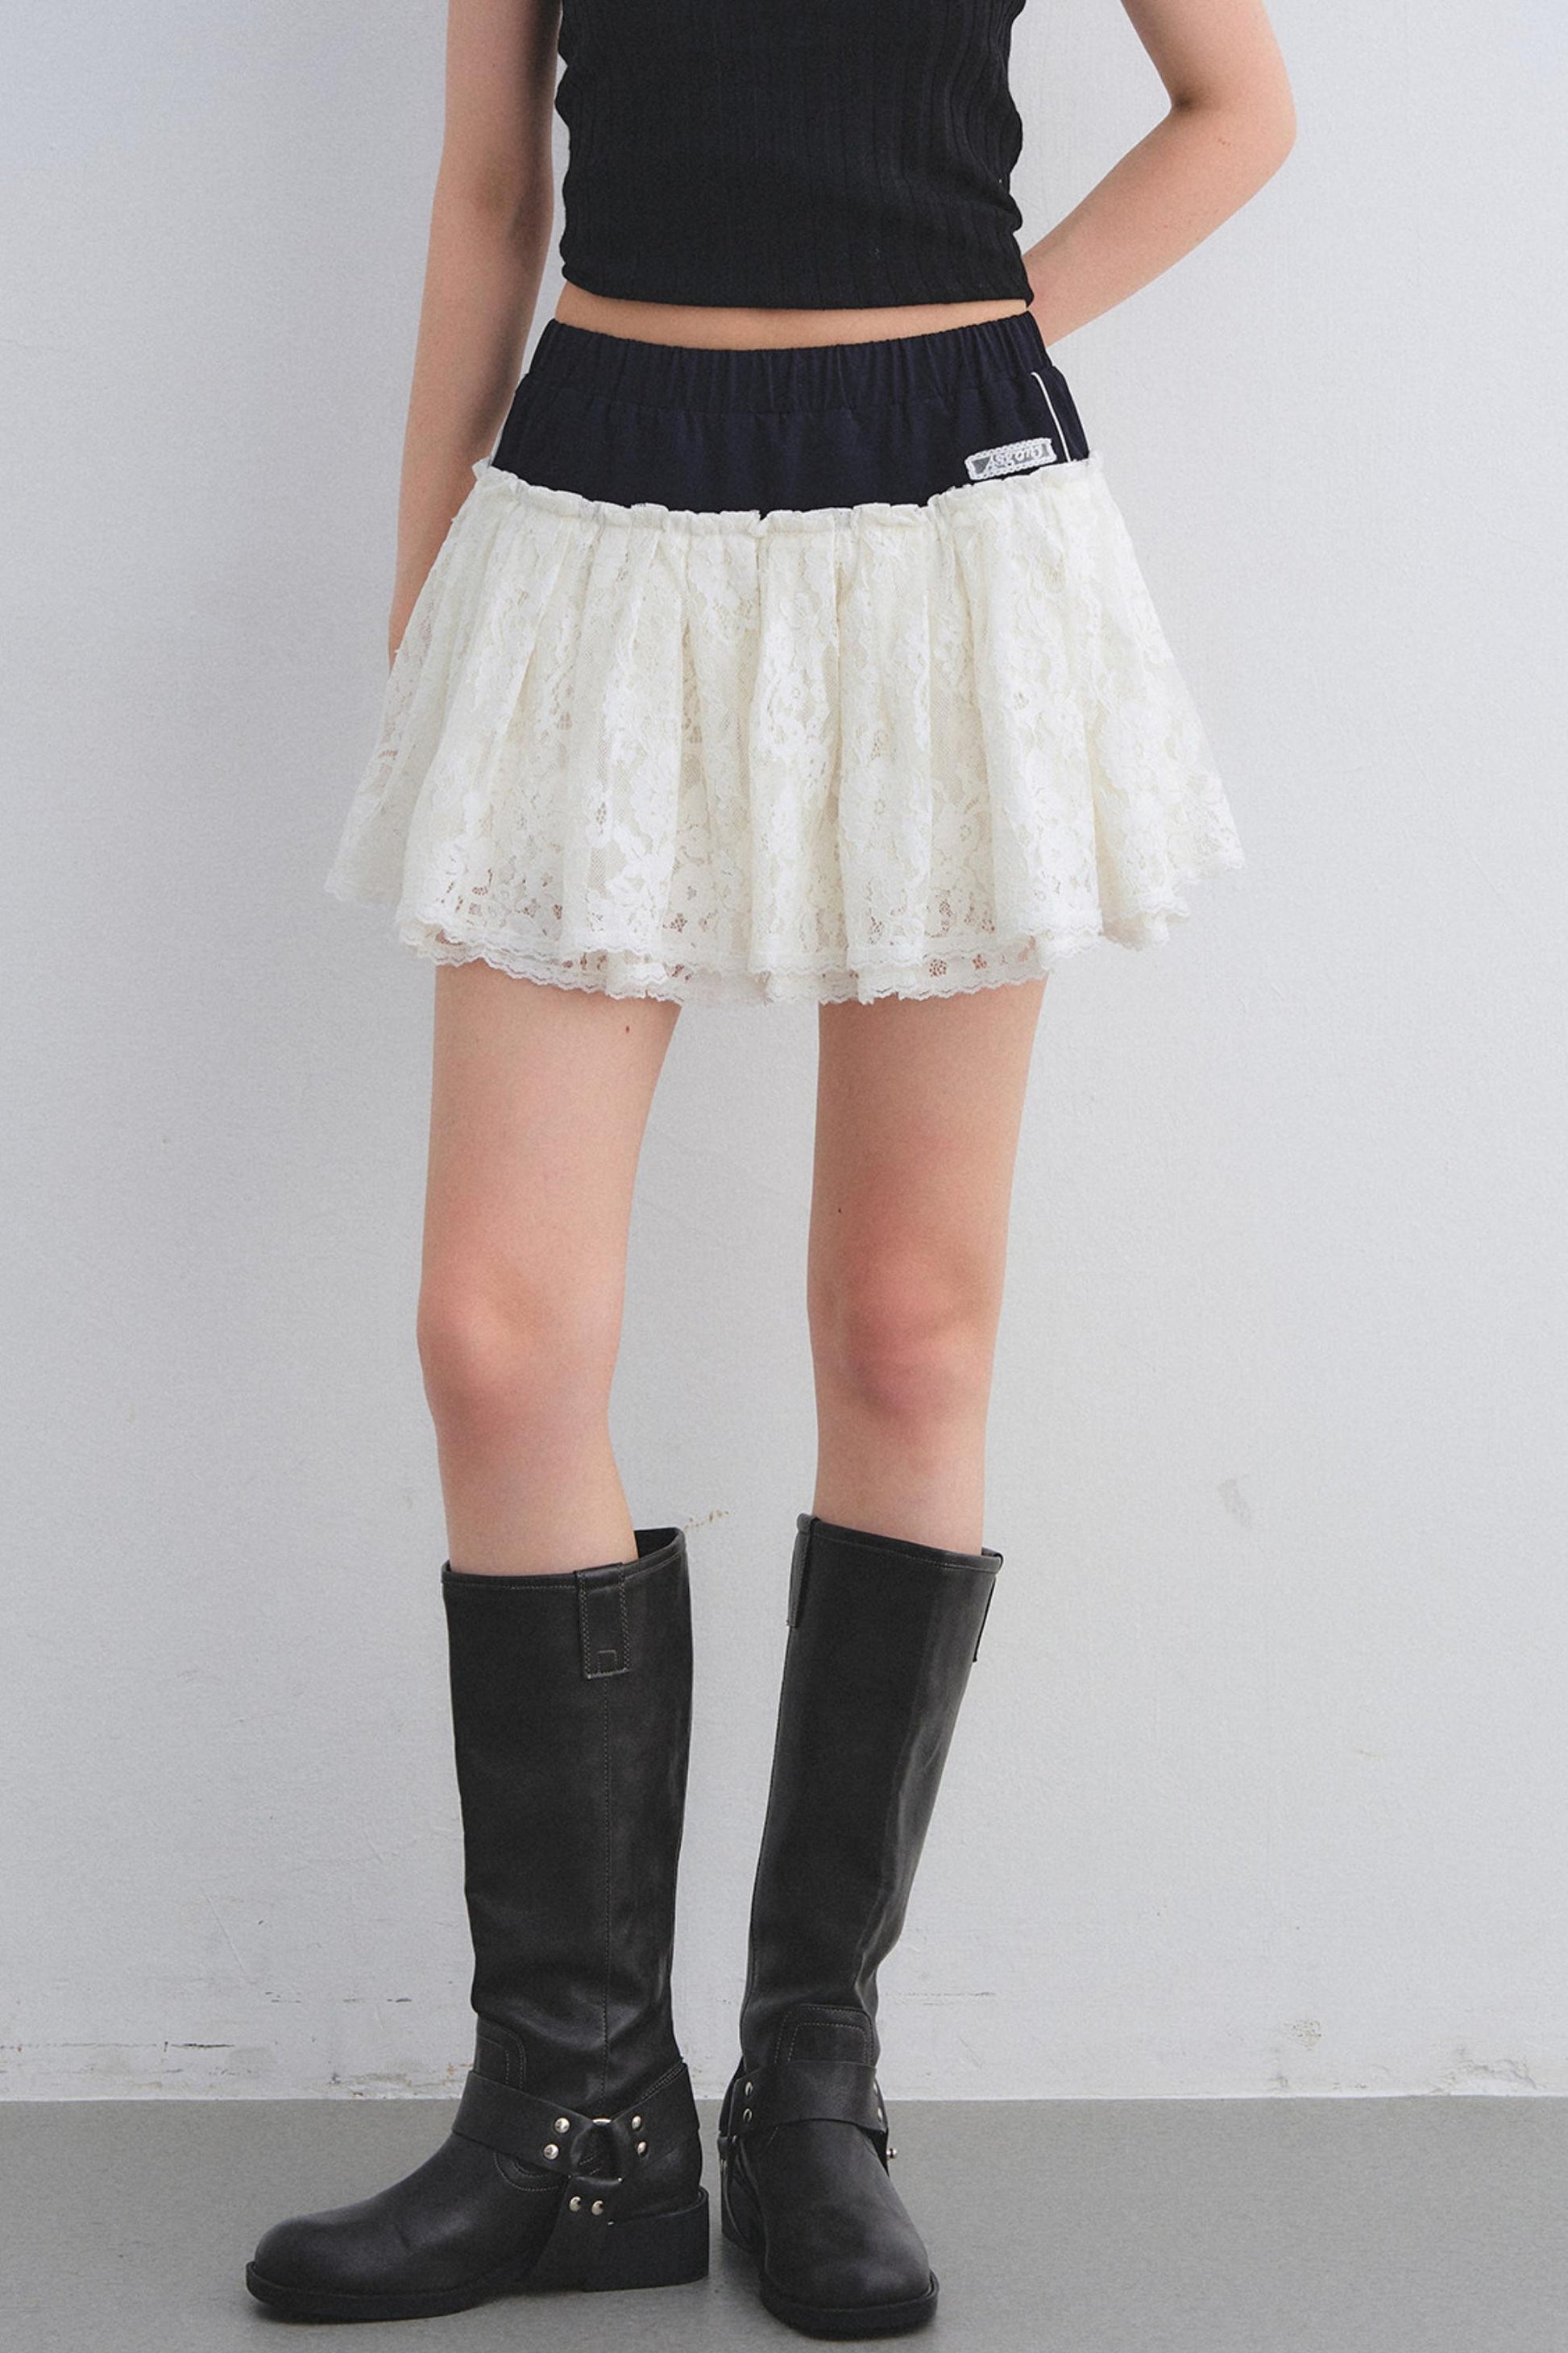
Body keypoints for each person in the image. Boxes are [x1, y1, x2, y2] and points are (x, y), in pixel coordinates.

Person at [246, 0, 1294, 2334]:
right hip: (590, 498)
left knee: (905, 1327)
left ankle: (811, 2087)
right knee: (496, 1334)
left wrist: (994, 326)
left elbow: (1240, 109)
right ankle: (579, 2123)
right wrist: (423, 598)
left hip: (946, 517)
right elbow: (490, 197)